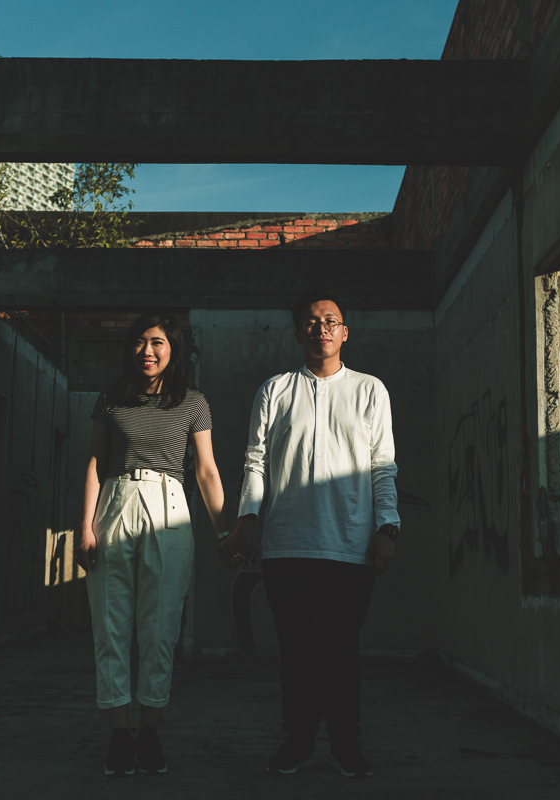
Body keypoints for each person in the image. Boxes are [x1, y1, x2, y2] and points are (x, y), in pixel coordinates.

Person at [219, 288, 399, 779]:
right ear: (299, 331)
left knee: (341, 651)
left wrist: (387, 527)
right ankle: (298, 741)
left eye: (331, 320)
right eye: (312, 322)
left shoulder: (368, 390)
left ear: (345, 332)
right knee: (297, 651)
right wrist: (247, 523)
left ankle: (345, 743)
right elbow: (255, 464)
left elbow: (383, 467)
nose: (322, 328)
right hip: (288, 545)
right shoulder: (275, 389)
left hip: (351, 546)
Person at [78, 311, 227, 777]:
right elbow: (96, 463)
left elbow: (205, 471)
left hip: (169, 505)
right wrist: (85, 525)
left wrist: (226, 531)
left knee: (160, 630)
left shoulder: (192, 402)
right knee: (110, 626)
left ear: (173, 349)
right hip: (115, 503)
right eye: (141, 342)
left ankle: (150, 735)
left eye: (158, 342)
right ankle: (119, 738)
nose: (148, 351)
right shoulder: (111, 399)